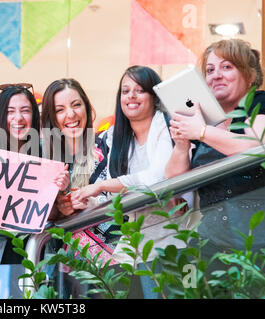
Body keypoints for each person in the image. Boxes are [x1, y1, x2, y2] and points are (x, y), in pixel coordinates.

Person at [71, 66, 194, 298]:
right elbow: (111, 194)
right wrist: (81, 199)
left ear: (154, 97)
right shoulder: (116, 136)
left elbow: (158, 178)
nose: (131, 97)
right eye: (125, 91)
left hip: (169, 239)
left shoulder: (166, 124)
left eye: (139, 90)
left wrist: (103, 185)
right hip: (132, 242)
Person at [165, 39, 265, 264]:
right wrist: (182, 144)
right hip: (211, 243)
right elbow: (174, 180)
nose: (216, 75)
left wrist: (201, 131)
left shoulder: (261, 102)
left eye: (227, 67)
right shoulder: (204, 117)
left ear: (250, 76)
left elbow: (255, 147)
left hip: (258, 243)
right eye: (210, 70)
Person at [0, 83, 68, 266]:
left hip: (38, 252)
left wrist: (59, 191)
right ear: (0, 115)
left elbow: (57, 213)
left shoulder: (49, 154)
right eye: (10, 111)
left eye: (25, 110)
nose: (18, 118)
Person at [41, 78, 103, 217]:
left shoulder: (106, 146)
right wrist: (60, 206)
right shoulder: (41, 155)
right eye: (60, 110)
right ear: (51, 118)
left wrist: (90, 203)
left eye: (76, 105)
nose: (70, 114)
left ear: (86, 107)